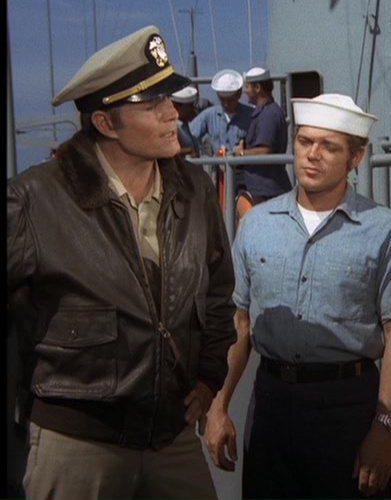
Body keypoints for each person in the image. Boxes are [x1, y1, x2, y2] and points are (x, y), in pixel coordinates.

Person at [6, 25, 237, 500]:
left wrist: (208, 378)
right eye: (153, 105)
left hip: (171, 437)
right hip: (77, 445)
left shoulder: (193, 190)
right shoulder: (34, 199)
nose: (173, 113)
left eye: (169, 98)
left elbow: (217, 293)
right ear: (105, 123)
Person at [203, 93, 391, 499]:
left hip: (348, 409)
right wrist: (219, 404)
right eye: (305, 141)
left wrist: (384, 428)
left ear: (355, 157)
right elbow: (240, 322)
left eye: (329, 146)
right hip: (271, 407)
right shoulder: (257, 225)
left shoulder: (383, 230)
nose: (312, 154)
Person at [232, 66, 292, 210]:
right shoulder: (266, 112)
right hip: (264, 188)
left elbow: (265, 151)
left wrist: (240, 153)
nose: (245, 91)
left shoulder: (268, 115)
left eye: (247, 87)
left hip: (267, 192)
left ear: (258, 88)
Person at [190, 68, 254, 187]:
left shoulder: (251, 115)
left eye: (230, 99)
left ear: (239, 94)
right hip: (219, 175)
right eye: (222, 99)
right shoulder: (209, 115)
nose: (226, 103)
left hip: (245, 174)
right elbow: (189, 135)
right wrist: (192, 151)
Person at [171, 85, 201, 157]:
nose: (192, 109)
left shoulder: (186, 125)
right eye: (190, 106)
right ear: (177, 107)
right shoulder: (171, 127)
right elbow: (166, 151)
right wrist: (189, 151)